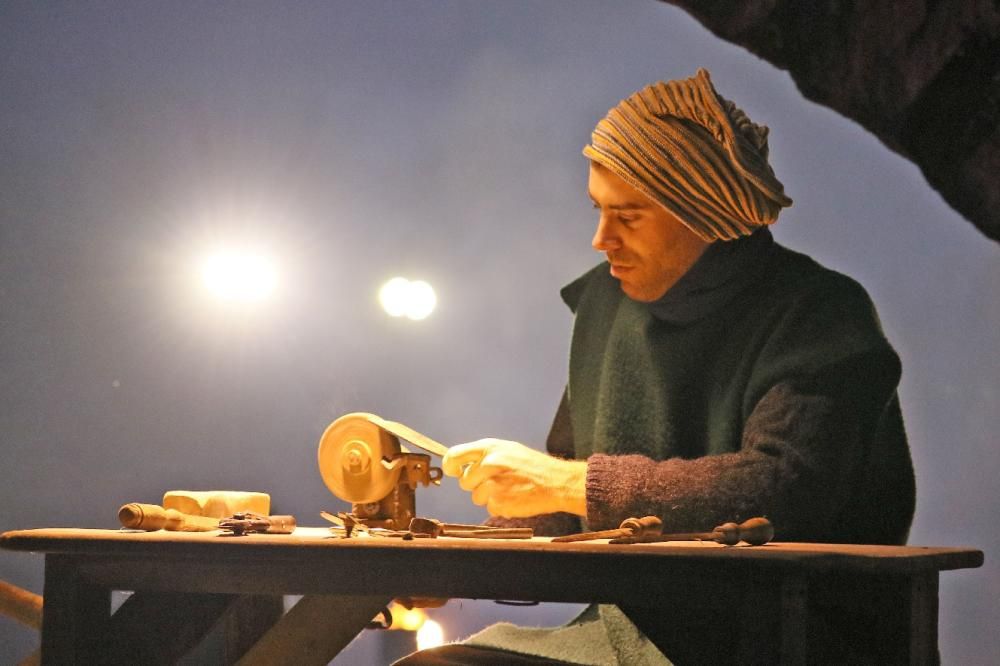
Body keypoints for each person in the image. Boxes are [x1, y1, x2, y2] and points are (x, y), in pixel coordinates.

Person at [396, 68, 915, 665]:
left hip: (791, 640)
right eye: (598, 209)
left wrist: (564, 483)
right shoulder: (606, 306)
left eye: (630, 215)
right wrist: (465, 542)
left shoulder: (821, 314)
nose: (601, 239)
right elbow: (573, 509)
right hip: (622, 632)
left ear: (704, 213)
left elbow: (785, 490)